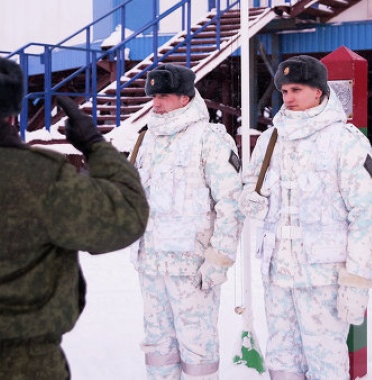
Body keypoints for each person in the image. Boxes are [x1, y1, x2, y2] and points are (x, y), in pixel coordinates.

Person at [0, 52, 149, 379]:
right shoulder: (41, 178)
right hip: (24, 366)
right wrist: (95, 145)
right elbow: (126, 214)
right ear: (11, 116)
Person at [238, 55, 372, 380]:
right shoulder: (270, 140)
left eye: (296, 89)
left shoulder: (344, 141)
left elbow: (367, 215)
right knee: (282, 357)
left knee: (326, 361)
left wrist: (357, 281)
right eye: (285, 90)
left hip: (323, 278)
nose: (288, 98)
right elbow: (252, 185)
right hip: (277, 274)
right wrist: (249, 197)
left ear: (318, 91)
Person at [129, 63, 242, 380]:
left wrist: (219, 259)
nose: (156, 103)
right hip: (152, 267)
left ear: (184, 97)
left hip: (192, 269)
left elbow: (231, 204)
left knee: (198, 354)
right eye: (153, 96)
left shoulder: (209, 139)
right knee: (158, 350)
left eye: (163, 95)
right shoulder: (146, 139)